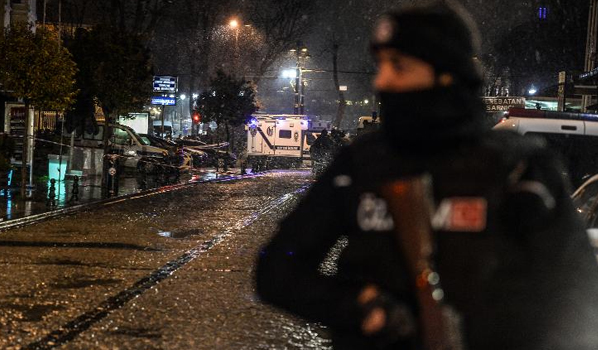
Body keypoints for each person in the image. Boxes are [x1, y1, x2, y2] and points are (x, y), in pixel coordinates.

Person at [255, 2, 598, 350]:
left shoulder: (520, 167)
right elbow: (278, 272)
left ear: (445, 72)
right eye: (381, 65)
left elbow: (578, 293)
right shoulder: (362, 163)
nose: (382, 80)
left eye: (399, 66)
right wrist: (359, 308)